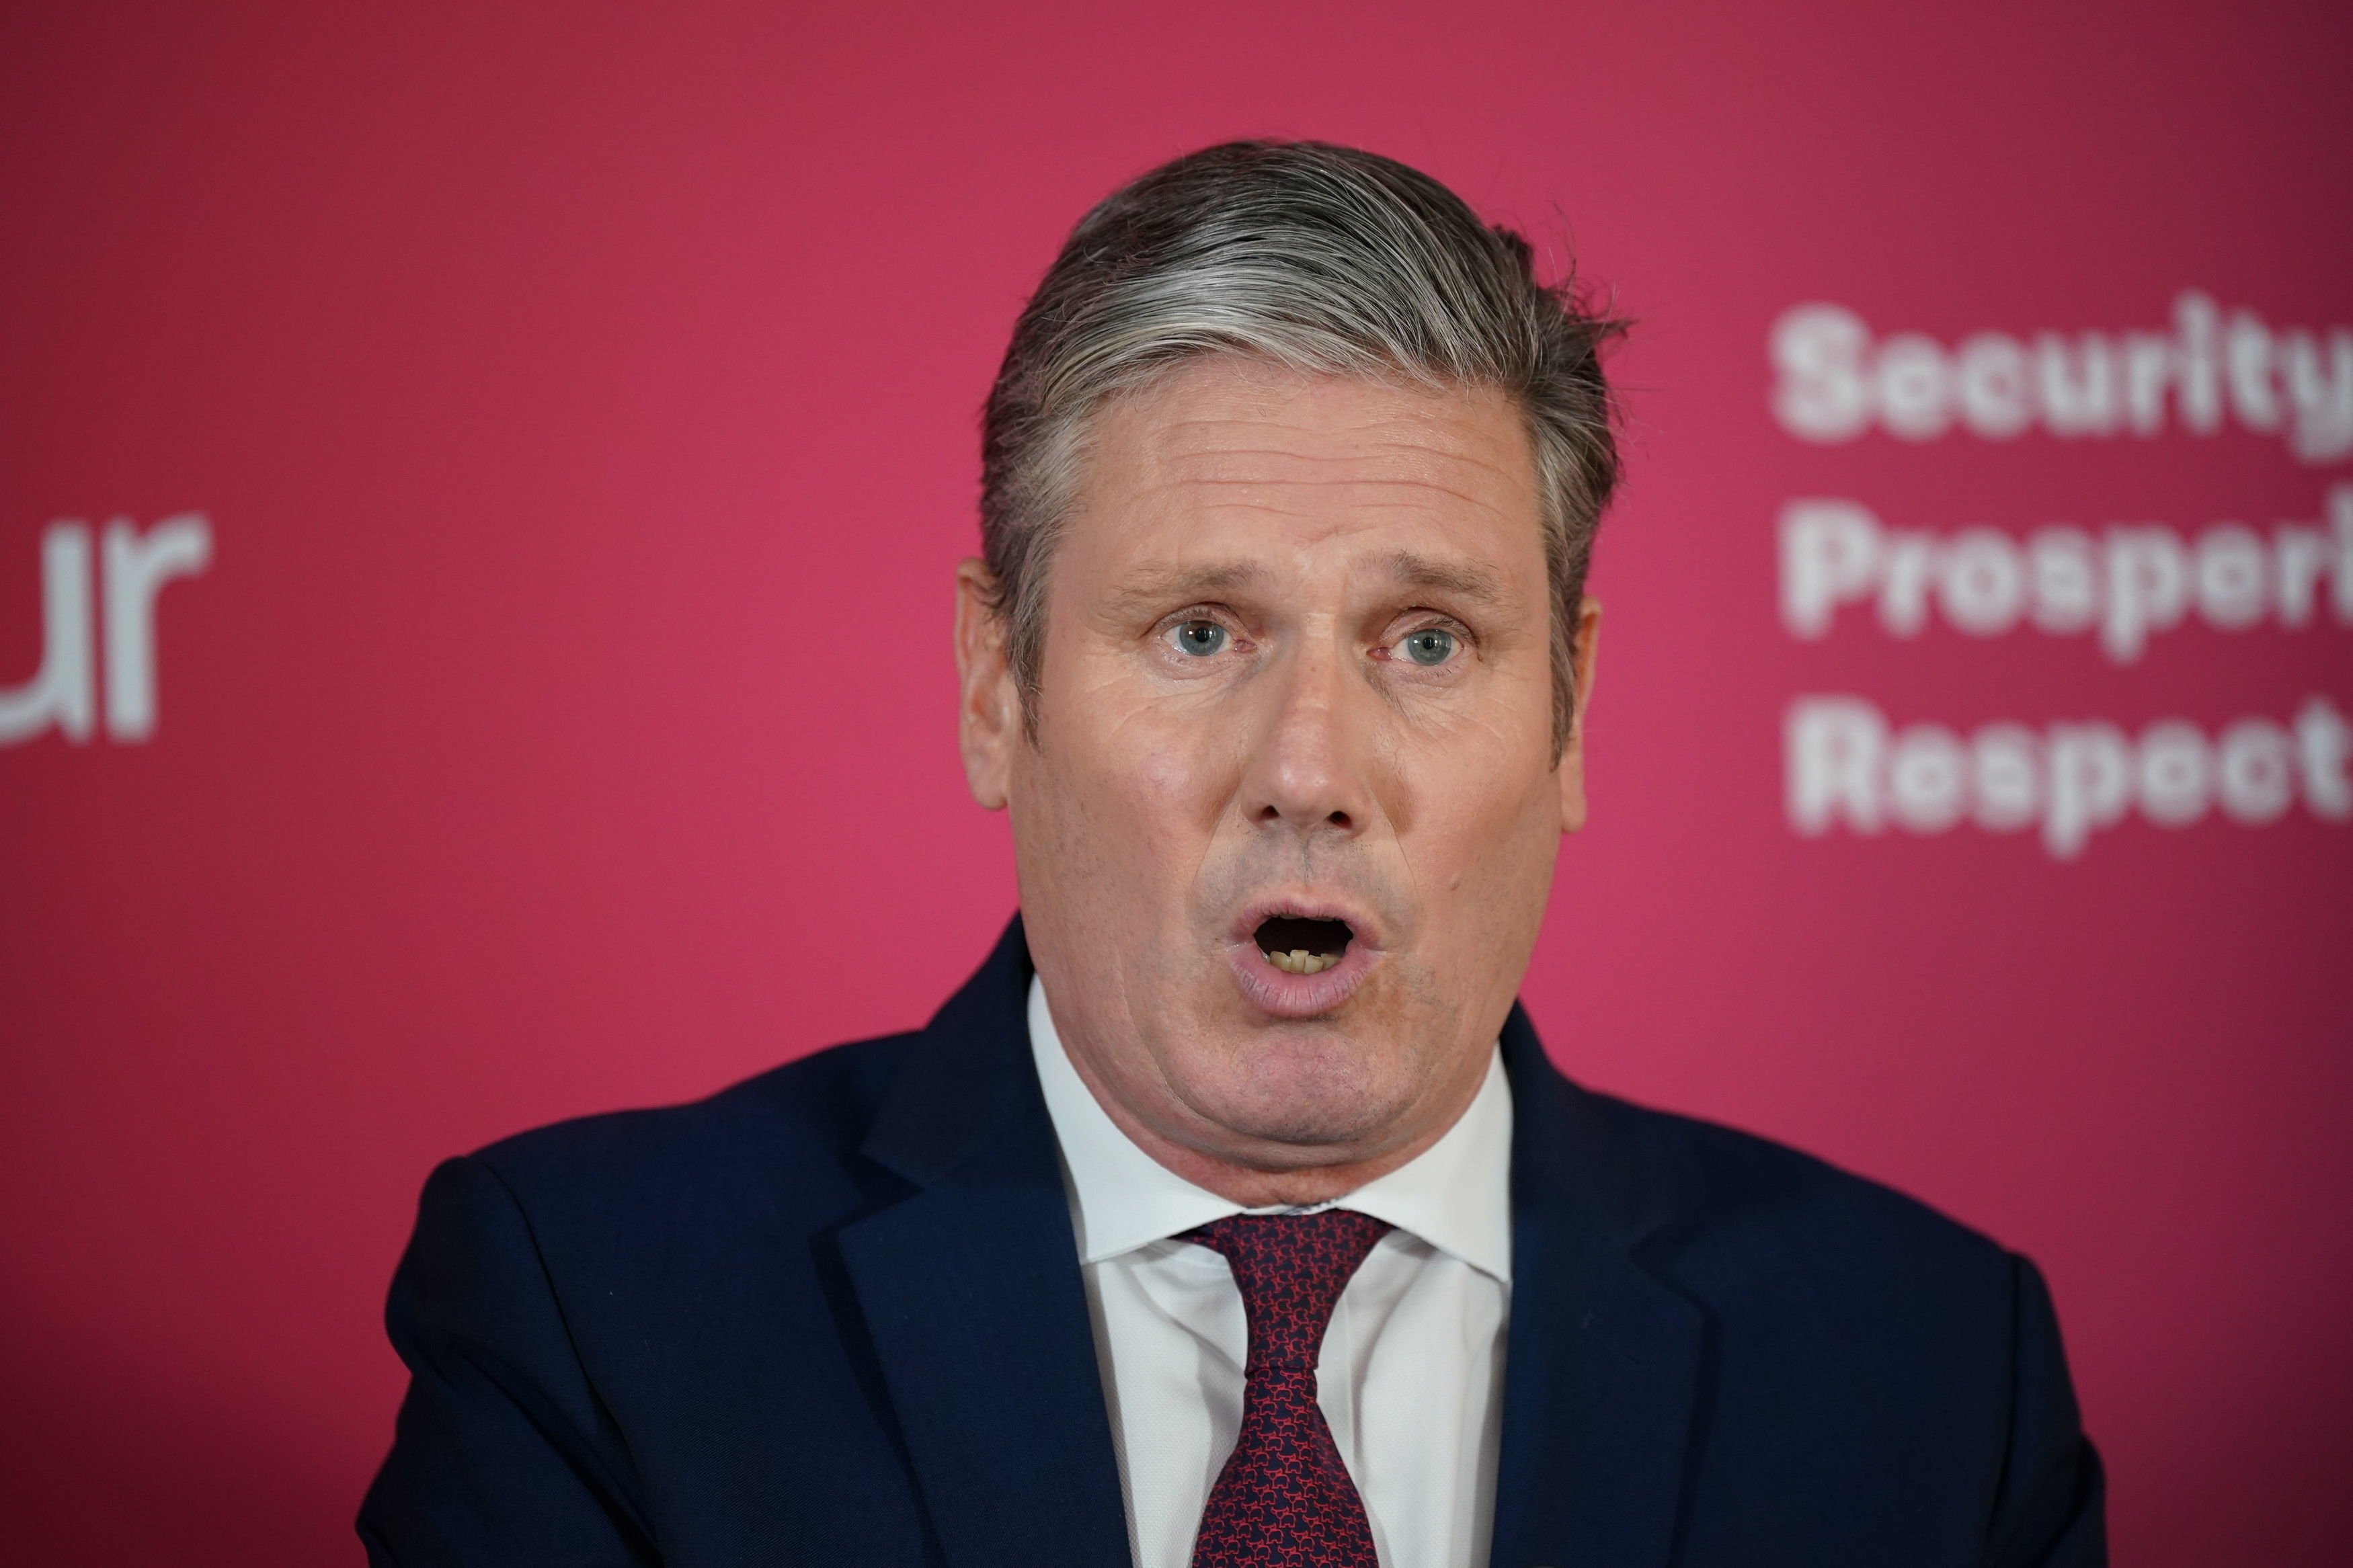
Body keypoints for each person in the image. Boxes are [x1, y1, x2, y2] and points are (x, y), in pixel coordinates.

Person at [358, 140, 2105, 1568]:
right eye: (1199, 632)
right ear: (996, 686)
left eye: (1424, 641)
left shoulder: (1936, 1380)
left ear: (1568, 719)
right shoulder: (592, 1314)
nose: (1309, 769)